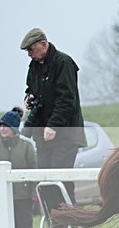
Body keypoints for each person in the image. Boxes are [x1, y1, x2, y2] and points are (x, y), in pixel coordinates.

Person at [20, 27, 86, 204]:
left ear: (43, 44)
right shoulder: (34, 66)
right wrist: (29, 98)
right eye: (27, 51)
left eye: (31, 49)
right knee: (44, 179)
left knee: (60, 179)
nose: (29, 54)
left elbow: (67, 99)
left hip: (65, 134)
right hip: (42, 133)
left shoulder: (64, 62)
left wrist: (53, 125)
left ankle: (67, 216)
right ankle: (52, 216)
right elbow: (31, 88)